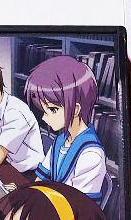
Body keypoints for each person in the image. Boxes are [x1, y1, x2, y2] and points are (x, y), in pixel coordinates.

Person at [24, 56, 107, 199]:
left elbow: (79, 205)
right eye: (44, 110)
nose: (44, 117)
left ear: (75, 110)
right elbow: (41, 179)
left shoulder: (91, 154)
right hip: (53, 205)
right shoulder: (61, 140)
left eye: (52, 110)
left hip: (71, 211)